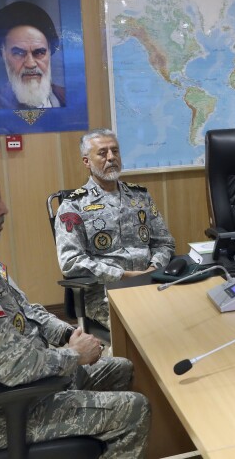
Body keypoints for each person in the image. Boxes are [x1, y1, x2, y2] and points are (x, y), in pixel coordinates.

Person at [0, 164, 150, 456]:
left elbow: (26, 310)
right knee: (133, 410)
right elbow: (15, 368)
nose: (4, 209)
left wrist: (68, 334)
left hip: (30, 385)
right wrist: (75, 355)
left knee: (122, 370)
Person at [55, 129, 175, 330]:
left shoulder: (140, 197)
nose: (111, 157)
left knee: (188, 313)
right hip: (105, 291)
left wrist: (154, 268)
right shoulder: (73, 205)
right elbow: (71, 261)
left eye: (115, 151)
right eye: (102, 153)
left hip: (152, 281)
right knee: (145, 326)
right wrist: (121, 275)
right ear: (87, 161)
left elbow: (164, 242)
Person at [0, 0, 66, 109]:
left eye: (39, 52)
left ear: (49, 52)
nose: (30, 64)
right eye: (19, 53)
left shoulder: (66, 98)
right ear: (4, 54)